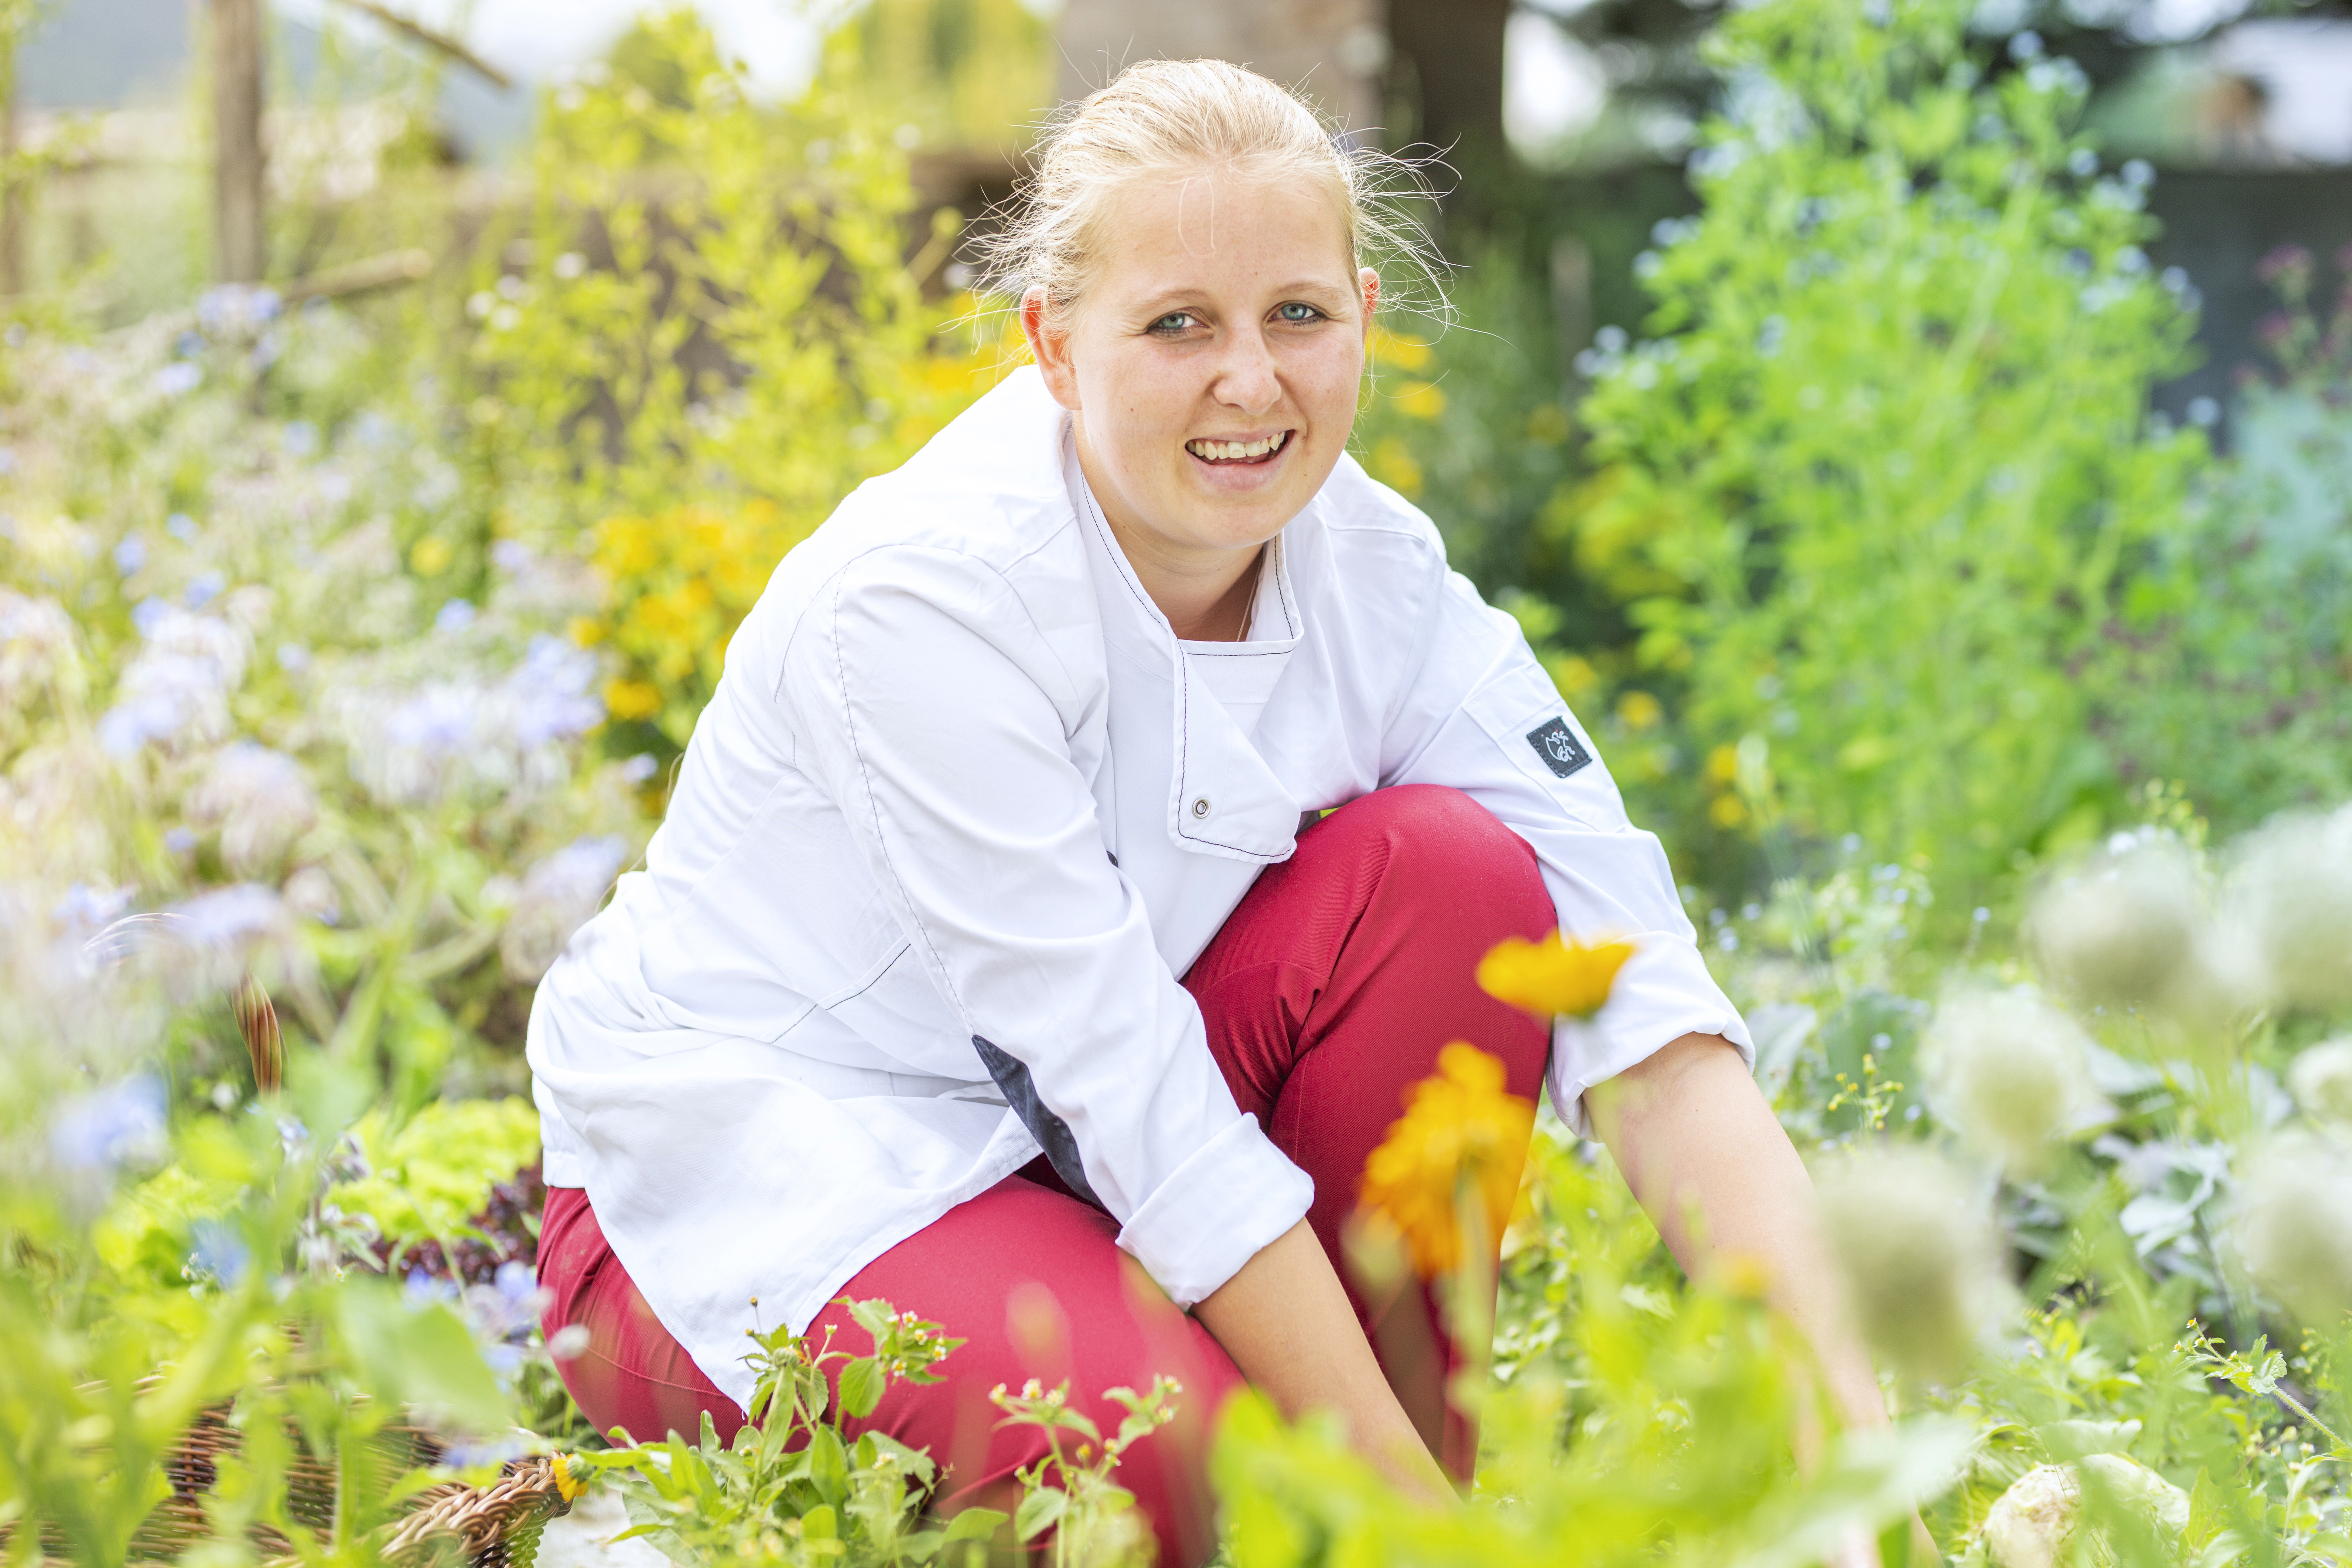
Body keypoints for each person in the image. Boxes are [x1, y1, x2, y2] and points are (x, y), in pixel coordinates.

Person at [529, 57, 1895, 1567]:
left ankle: (1389, 1464)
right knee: (1159, 1467)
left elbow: (1644, 1004)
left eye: (1296, 315)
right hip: (768, 1173)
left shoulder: (1383, 577)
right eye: (1178, 323)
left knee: (1461, 880)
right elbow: (1129, 1091)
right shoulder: (922, 601)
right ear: (1054, 346)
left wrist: (1862, 1462)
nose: (1250, 381)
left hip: (1082, 1141)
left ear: (1365, 317)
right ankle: (1369, 1514)